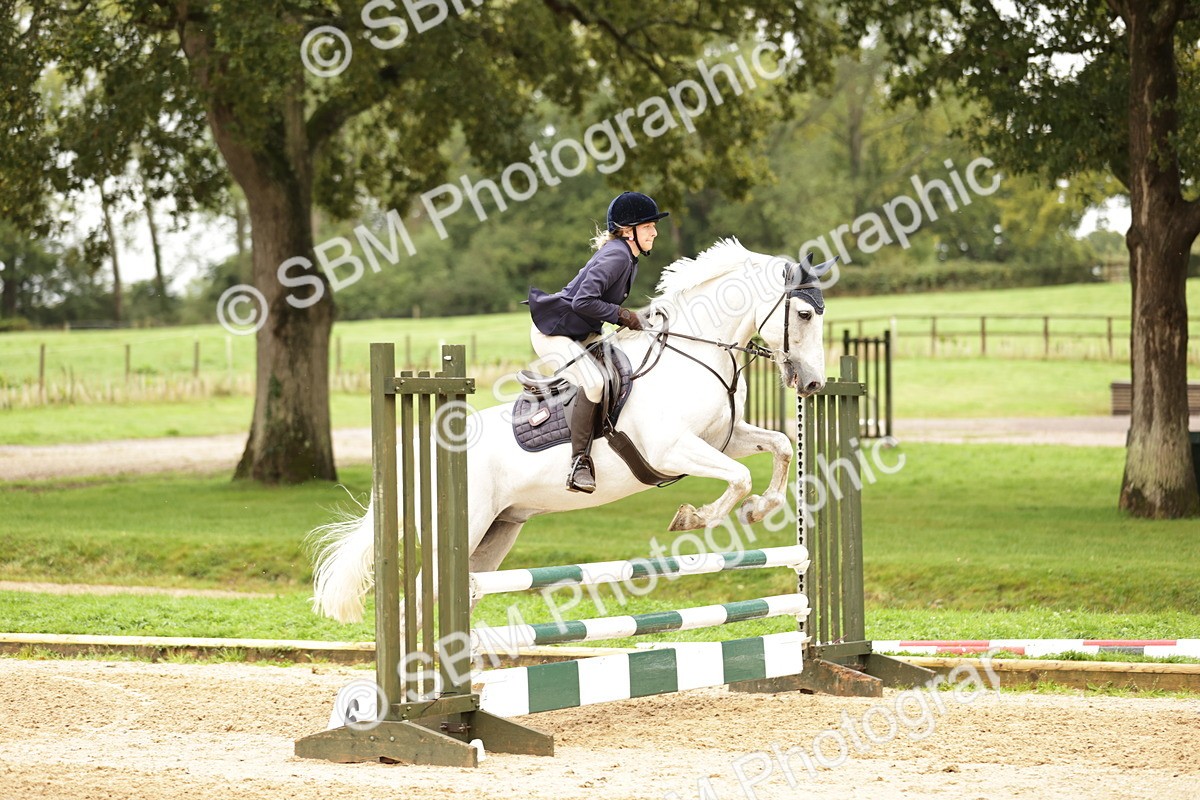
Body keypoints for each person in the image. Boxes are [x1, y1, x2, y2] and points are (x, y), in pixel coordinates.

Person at [526, 191, 669, 493]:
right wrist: (623, 315)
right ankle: (579, 462)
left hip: (582, 329)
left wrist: (638, 318)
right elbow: (582, 301)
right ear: (628, 232)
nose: (655, 231)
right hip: (555, 332)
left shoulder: (627, 256)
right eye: (647, 227)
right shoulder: (617, 255)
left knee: (623, 364)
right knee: (594, 383)